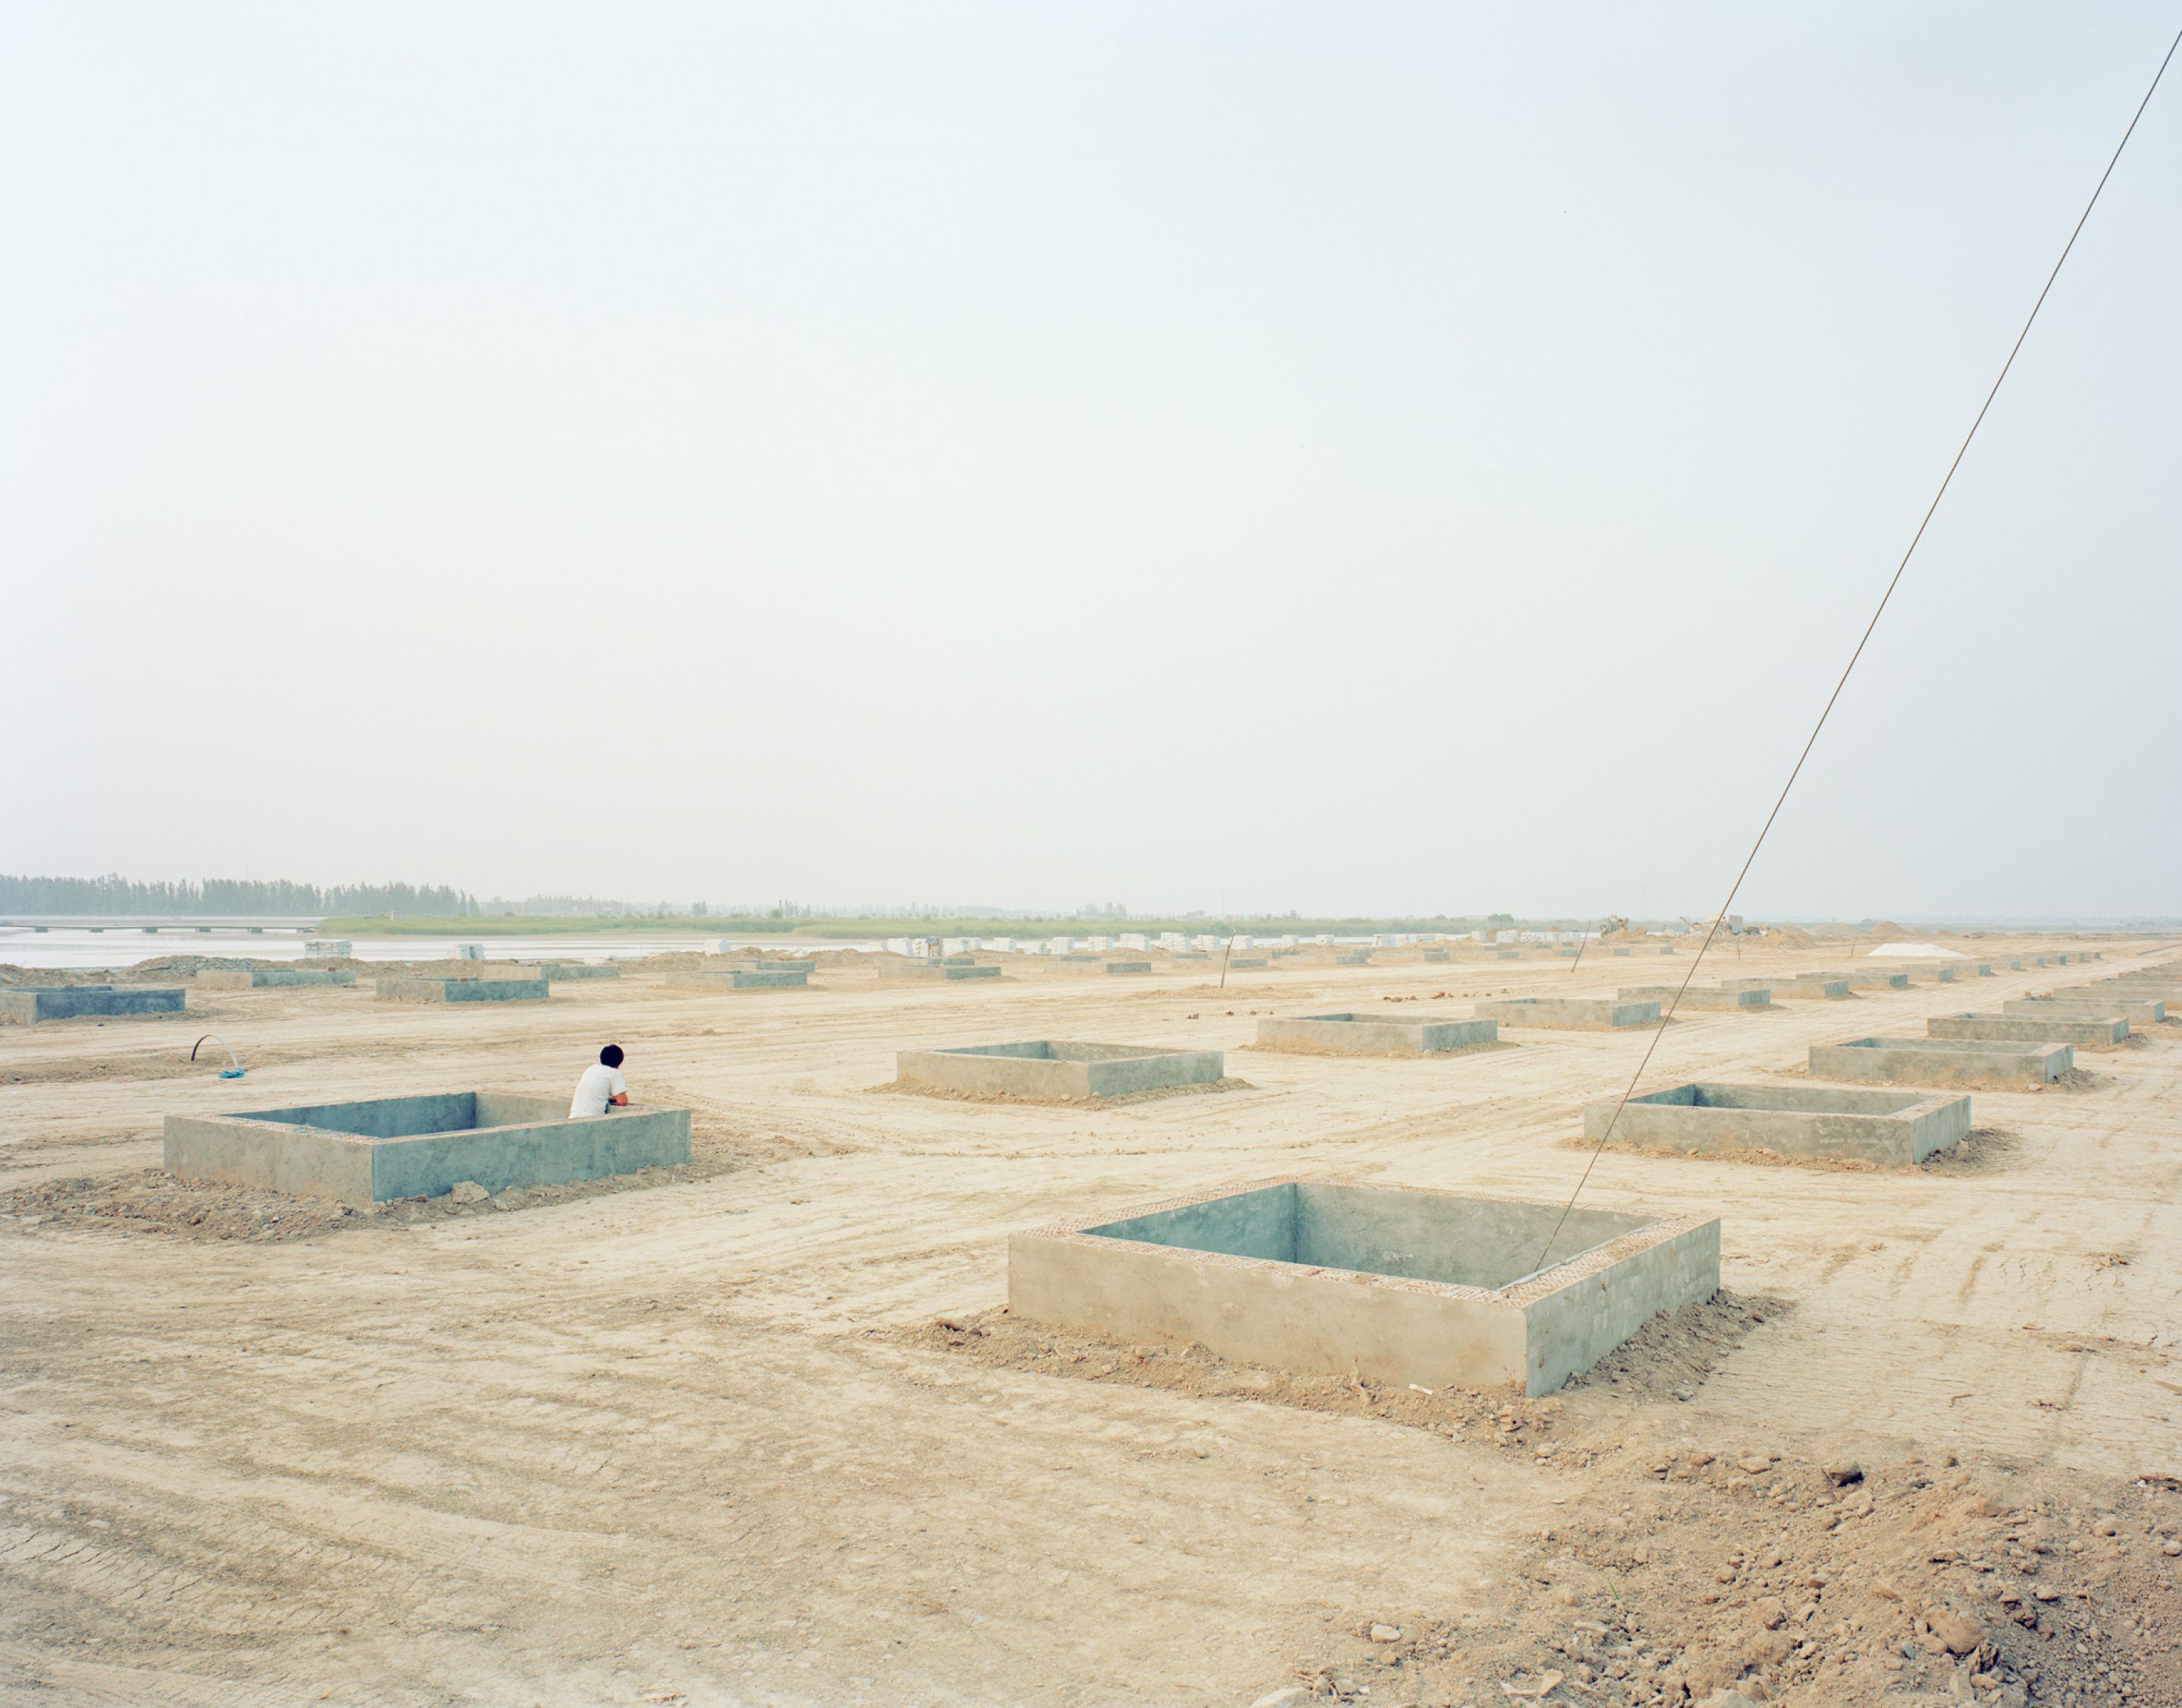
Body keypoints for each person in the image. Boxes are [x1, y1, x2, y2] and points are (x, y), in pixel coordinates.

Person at [570, 1044, 630, 1118]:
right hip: (592, 1120)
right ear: (619, 1063)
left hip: (573, 1118)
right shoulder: (614, 1073)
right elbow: (622, 1101)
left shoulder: (591, 1069)